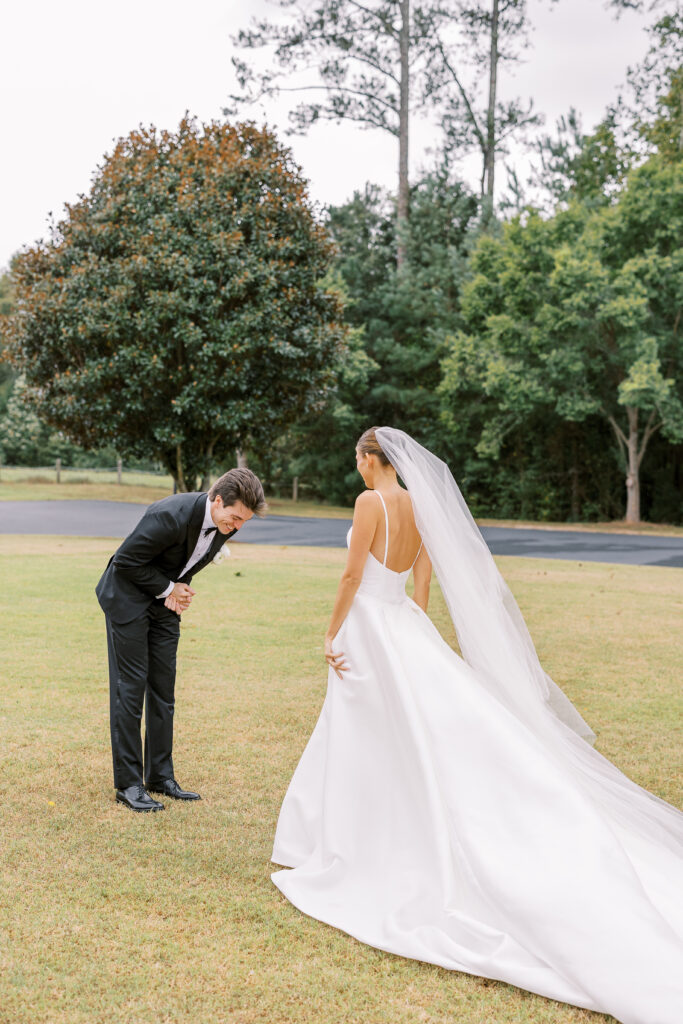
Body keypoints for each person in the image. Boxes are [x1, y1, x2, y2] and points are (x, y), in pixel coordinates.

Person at [271, 427, 683, 1024]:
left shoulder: (371, 503)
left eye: (358, 462)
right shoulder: (421, 503)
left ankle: (355, 833)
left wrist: (329, 632)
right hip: (404, 624)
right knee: (412, 727)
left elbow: (351, 576)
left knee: (367, 729)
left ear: (371, 459)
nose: (357, 472)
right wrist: (411, 622)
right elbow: (423, 580)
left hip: (370, 624)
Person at [97, 467, 266, 812]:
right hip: (127, 599)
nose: (236, 527)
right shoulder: (169, 515)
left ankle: (159, 776)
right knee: (130, 689)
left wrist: (176, 591)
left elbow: (185, 559)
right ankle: (128, 784)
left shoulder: (224, 523)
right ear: (217, 501)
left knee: (163, 688)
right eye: (235, 518)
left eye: (243, 522)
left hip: (162, 606)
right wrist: (169, 588)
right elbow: (125, 562)